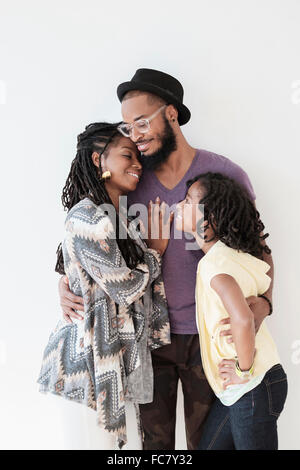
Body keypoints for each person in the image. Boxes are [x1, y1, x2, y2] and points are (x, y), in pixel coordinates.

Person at [58, 69, 275, 450]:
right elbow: (87, 241)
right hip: (146, 341)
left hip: (208, 338)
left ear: (171, 114)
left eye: (142, 122)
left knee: (206, 445)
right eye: (128, 127)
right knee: (153, 449)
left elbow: (259, 249)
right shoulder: (129, 178)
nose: (135, 135)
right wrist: (65, 283)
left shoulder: (223, 175)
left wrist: (265, 303)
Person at [37, 122, 172, 450]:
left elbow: (79, 271)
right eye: (127, 155)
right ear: (98, 159)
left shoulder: (117, 217)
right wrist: (155, 252)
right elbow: (125, 288)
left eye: (138, 157)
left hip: (111, 364)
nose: (137, 164)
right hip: (84, 369)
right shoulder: (87, 217)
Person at [175, 171, 287, 450]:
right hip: (245, 389)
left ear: (210, 219)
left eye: (189, 202)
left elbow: (243, 318)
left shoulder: (215, 265)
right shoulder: (233, 256)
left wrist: (242, 369)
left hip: (252, 385)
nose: (179, 205)